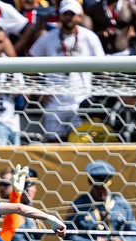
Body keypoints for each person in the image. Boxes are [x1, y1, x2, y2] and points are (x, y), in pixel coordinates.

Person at [28, 0, 105, 142]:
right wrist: (39, 92)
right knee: (54, 144)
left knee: (81, 142)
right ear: (59, 16)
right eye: (65, 14)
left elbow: (103, 68)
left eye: (72, 14)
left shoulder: (90, 38)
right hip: (54, 103)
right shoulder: (47, 39)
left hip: (81, 102)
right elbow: (28, 65)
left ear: (79, 17)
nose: (69, 17)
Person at [66, 160, 136, 241]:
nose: (102, 191)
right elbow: (67, 236)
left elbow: (135, 233)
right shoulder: (78, 205)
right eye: (97, 187)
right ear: (89, 182)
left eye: (105, 187)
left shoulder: (122, 204)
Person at [6, 167, 53, 241]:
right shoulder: (15, 210)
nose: (28, 189)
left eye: (31, 185)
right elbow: (16, 239)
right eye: (25, 186)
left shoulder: (34, 211)